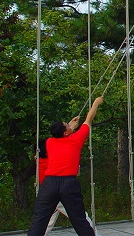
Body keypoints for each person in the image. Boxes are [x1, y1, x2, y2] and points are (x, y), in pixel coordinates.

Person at [27, 96, 104, 236]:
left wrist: (70, 127)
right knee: (79, 219)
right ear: (65, 132)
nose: (70, 125)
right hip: (68, 183)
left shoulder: (50, 142)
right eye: (67, 125)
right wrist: (96, 104)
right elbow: (89, 119)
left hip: (49, 183)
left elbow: (62, 136)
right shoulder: (76, 140)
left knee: (39, 220)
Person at [36, 138, 99, 235]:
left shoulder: (40, 161)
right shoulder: (51, 162)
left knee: (46, 224)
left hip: (48, 194)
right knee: (82, 218)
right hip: (60, 194)